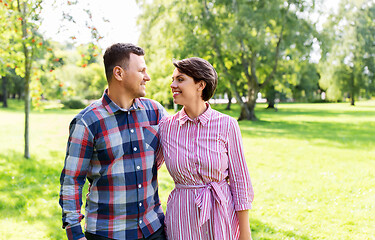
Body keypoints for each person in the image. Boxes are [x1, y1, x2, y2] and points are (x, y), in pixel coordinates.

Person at [59, 43, 167, 240]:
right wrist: (74, 233)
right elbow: (72, 180)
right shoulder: (87, 121)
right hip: (107, 233)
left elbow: (181, 146)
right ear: (119, 73)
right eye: (142, 70)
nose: (147, 77)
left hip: (153, 229)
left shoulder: (155, 112)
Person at [159, 57, 254, 240]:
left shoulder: (227, 125)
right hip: (181, 217)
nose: (172, 84)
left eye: (180, 79)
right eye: (173, 79)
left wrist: (245, 233)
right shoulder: (166, 127)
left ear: (200, 85)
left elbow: (240, 181)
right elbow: (150, 168)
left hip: (221, 213)